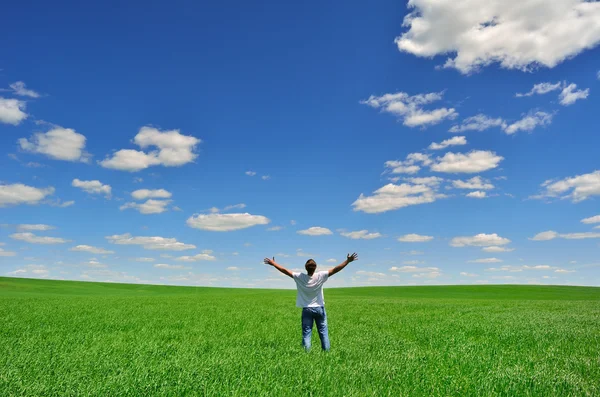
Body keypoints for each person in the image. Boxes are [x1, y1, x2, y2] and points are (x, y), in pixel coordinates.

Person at [263, 253, 358, 351]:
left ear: (305, 268)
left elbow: (285, 271)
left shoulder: (300, 277)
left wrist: (274, 264)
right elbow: (335, 269)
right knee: (323, 332)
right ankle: (326, 353)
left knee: (307, 333)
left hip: (307, 309)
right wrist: (347, 261)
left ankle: (306, 354)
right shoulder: (321, 275)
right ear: (315, 267)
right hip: (319, 308)